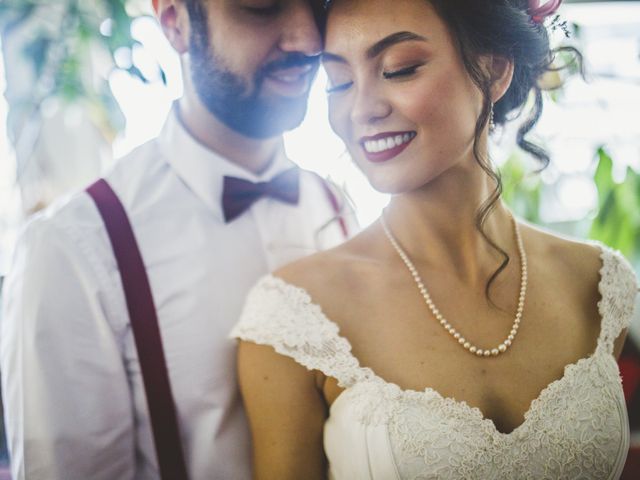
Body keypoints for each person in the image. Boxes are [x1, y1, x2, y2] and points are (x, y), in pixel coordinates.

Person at [232, 0, 640, 478]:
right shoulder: (295, 317)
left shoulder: (597, 283)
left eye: (399, 69)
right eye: (339, 82)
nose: (362, 109)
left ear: (493, 69)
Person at [0, 0, 355, 479]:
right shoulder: (73, 249)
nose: (308, 40)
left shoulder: (338, 206)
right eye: (262, 8)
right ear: (174, 22)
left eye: (316, 5)